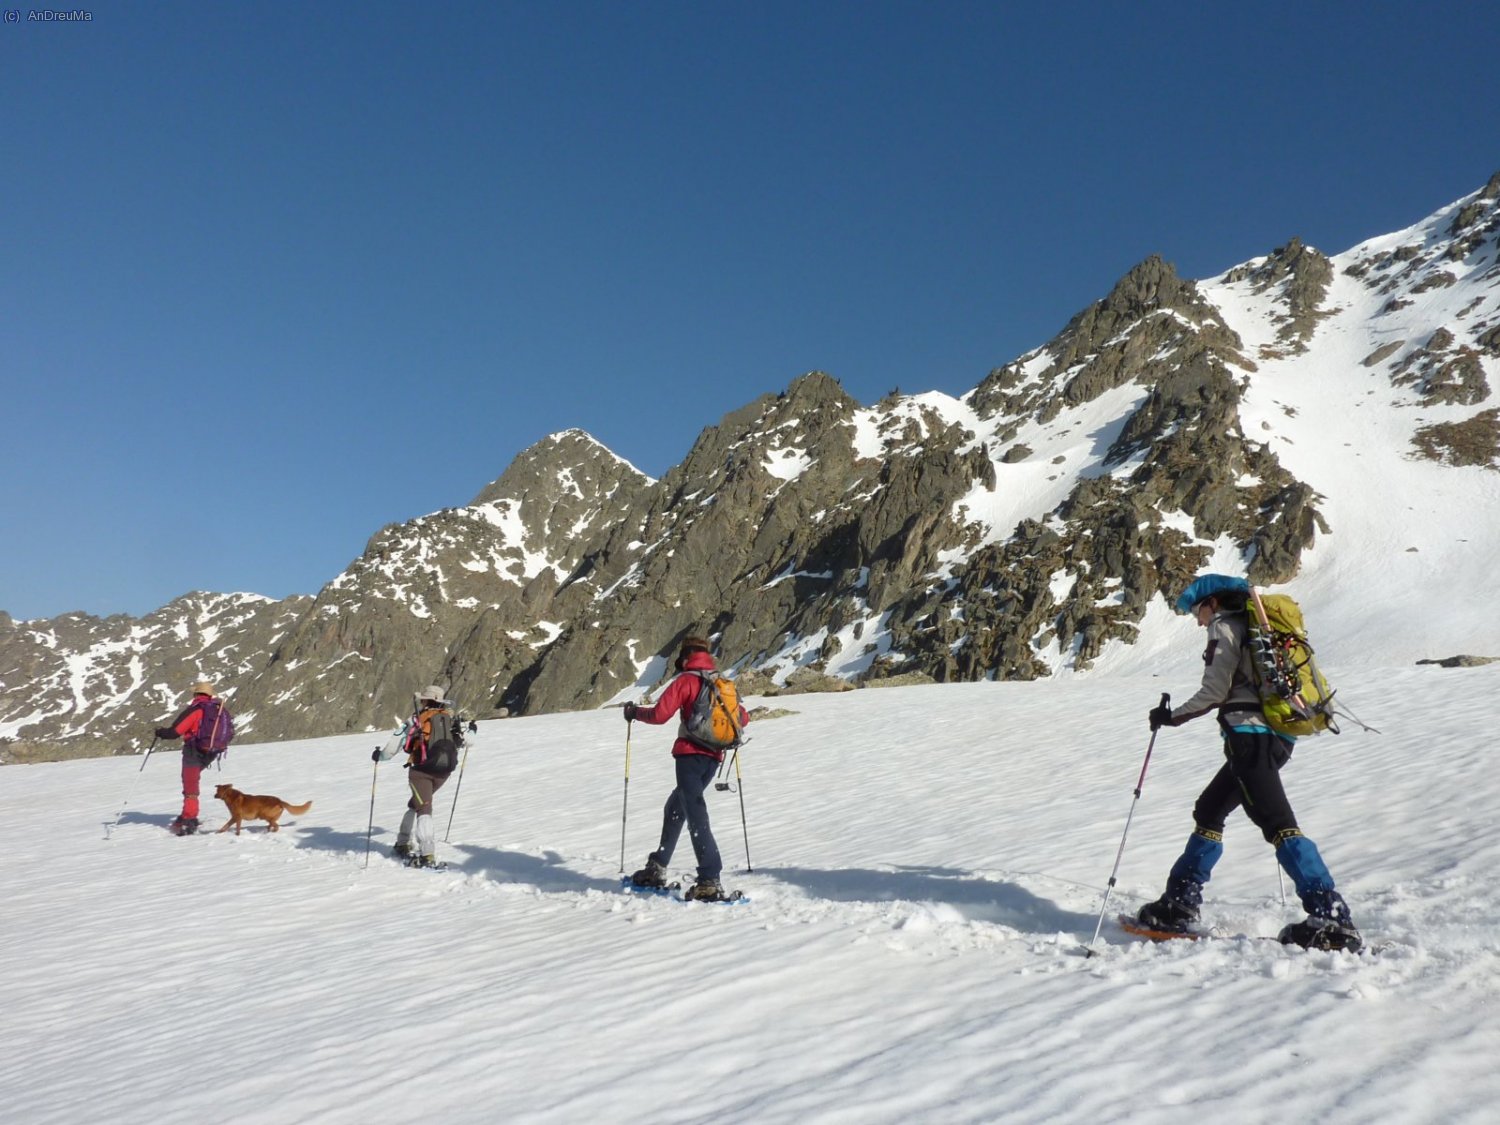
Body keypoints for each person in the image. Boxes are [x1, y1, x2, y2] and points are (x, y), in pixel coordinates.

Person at [1136, 574, 1362, 952]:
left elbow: (1215, 690)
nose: (1198, 620)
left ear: (1212, 602)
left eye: (1197, 611)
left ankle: (1332, 919)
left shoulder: (1225, 627)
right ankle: (1179, 902)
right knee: (1209, 810)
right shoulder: (1256, 628)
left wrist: (1171, 717)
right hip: (1275, 739)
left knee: (1278, 823)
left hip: (1249, 740)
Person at [624, 635, 749, 902]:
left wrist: (635, 713)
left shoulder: (686, 681)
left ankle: (709, 879)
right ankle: (657, 865)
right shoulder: (720, 682)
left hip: (689, 756)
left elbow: (659, 715)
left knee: (694, 812)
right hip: (714, 758)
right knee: (676, 807)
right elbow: (743, 717)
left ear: (685, 656)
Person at [372, 685, 463, 869]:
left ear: (426, 700)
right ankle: (402, 841)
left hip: (421, 771)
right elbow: (467, 741)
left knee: (423, 808)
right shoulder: (450, 719)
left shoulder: (416, 719)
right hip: (444, 772)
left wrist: (379, 756)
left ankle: (427, 854)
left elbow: (392, 748)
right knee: (416, 803)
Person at [153, 680, 232, 836]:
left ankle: (189, 820)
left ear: (196, 694)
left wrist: (160, 732)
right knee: (192, 783)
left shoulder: (195, 710)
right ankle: (187, 815)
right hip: (210, 753)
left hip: (193, 752)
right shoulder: (219, 710)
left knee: (190, 788)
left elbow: (174, 732)